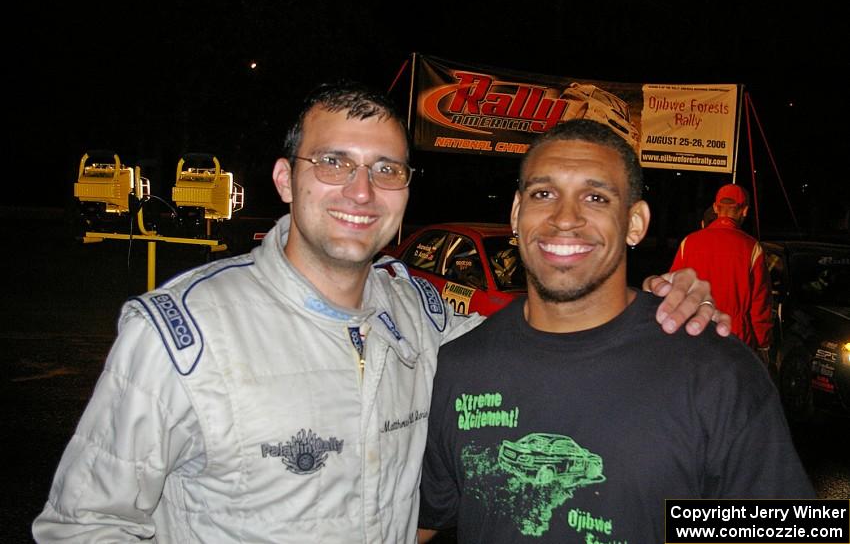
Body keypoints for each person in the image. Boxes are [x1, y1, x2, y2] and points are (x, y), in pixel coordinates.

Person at [34, 82, 727, 543]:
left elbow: (550, 337)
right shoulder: (180, 335)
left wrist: (658, 305)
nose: (361, 190)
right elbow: (81, 524)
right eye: (334, 161)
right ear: (286, 178)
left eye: (387, 169)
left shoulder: (425, 319)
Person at [418, 120, 813, 544]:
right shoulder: (459, 368)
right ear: (517, 214)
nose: (564, 218)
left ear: (635, 223)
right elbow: (419, 520)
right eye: (543, 194)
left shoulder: (714, 373)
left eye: (595, 197)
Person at [670, 183, 772, 362]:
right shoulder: (752, 248)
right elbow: (760, 304)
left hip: (694, 336)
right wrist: (763, 344)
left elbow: (674, 292)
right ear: (745, 210)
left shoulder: (689, 243)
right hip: (736, 340)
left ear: (716, 208)